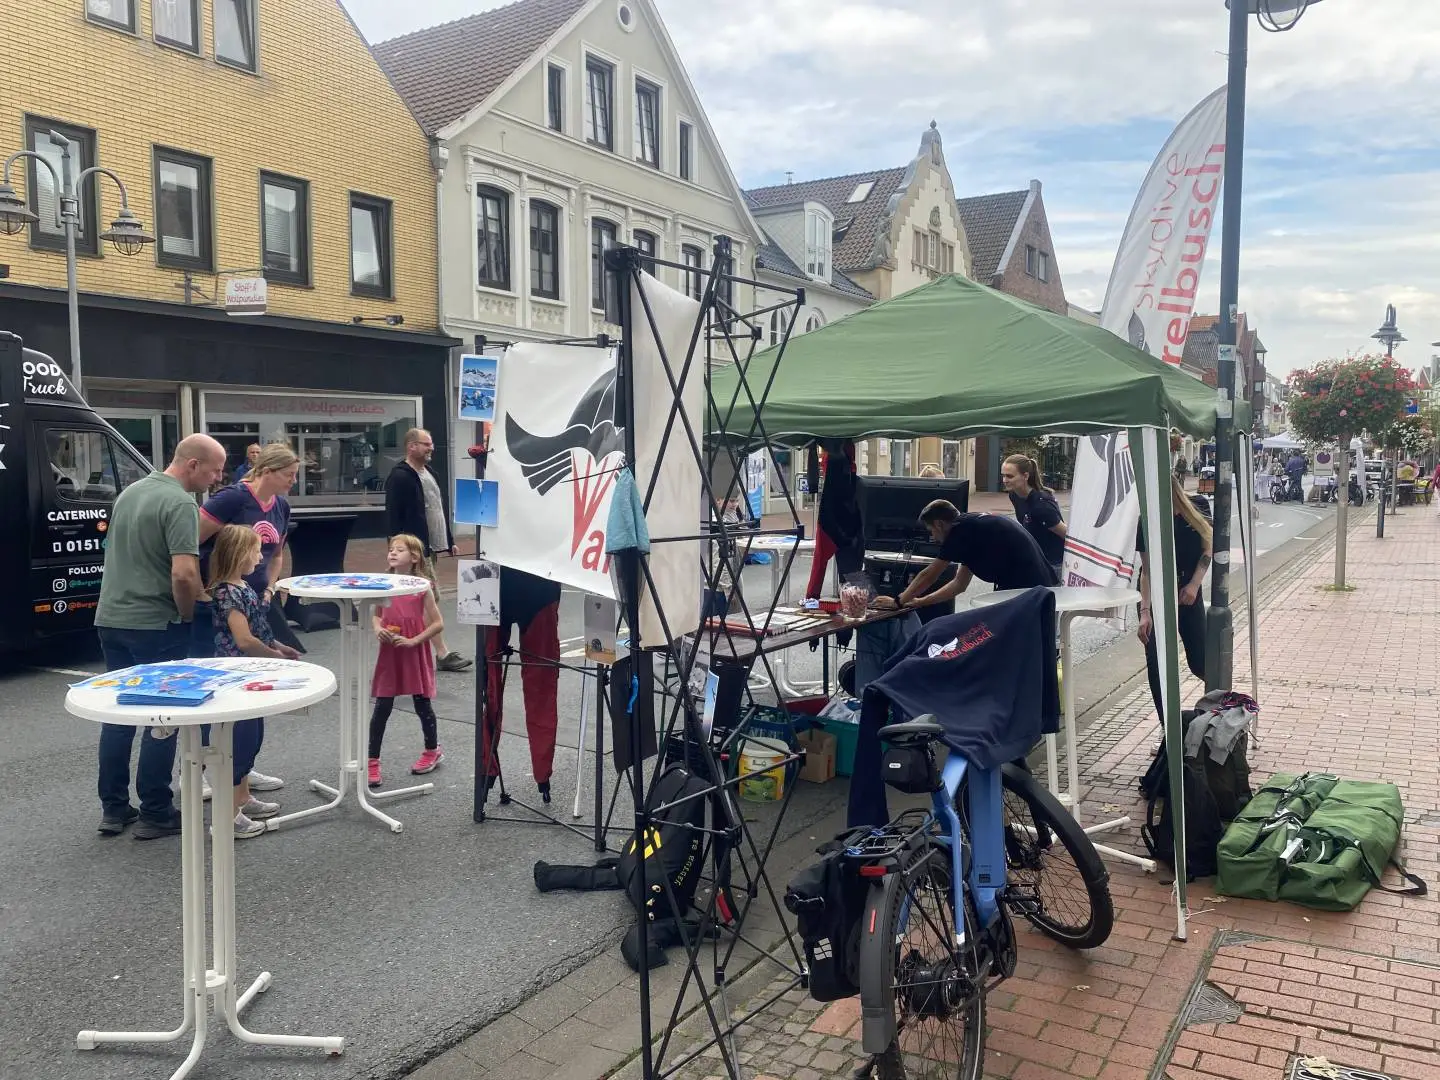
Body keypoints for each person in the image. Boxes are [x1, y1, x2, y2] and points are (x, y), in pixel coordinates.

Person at [94, 433, 226, 839]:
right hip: (155, 622)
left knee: (118, 717)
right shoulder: (181, 503)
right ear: (191, 464)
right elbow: (184, 573)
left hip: (112, 617)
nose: (217, 478)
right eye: (214, 469)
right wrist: (188, 617)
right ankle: (155, 809)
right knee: (162, 720)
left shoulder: (131, 492)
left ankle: (115, 810)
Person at [196, 442, 302, 797]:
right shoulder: (231, 499)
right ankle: (204, 771)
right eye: (289, 474)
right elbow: (191, 540)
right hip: (225, 599)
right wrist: (205, 590)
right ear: (268, 470)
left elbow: (275, 554)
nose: (293, 481)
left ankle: (241, 771)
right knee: (222, 691)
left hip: (255, 597)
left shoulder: (282, 506)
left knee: (251, 693)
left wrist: (269, 589)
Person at [208, 525, 302, 837]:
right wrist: (273, 657)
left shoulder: (241, 588)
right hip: (239, 675)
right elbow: (245, 639)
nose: (260, 556)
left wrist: (277, 645)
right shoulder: (228, 593)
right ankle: (227, 817)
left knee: (251, 736)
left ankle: (243, 797)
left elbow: (258, 631)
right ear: (238, 554)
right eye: (255, 550)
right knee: (239, 740)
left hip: (251, 673)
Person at [385, 428, 471, 671]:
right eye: (426, 444)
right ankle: (441, 654)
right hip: (414, 550)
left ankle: (413, 649)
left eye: (431, 443)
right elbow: (392, 514)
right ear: (411, 446)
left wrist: (449, 539)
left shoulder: (429, 472)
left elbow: (436, 508)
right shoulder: (400, 476)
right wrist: (396, 550)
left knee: (423, 600)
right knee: (426, 599)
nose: (431, 448)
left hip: (428, 547)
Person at [872, 502, 1058, 613]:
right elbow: (959, 585)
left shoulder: (959, 531)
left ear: (939, 524)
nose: (933, 538)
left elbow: (929, 574)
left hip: (1029, 590)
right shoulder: (972, 528)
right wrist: (920, 601)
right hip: (1037, 585)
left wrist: (898, 601)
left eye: (931, 531)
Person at [367, 534, 446, 787]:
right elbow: (376, 615)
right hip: (390, 651)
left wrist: (415, 641)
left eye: (399, 550)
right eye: (390, 549)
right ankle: (371, 762)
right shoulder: (383, 583)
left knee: (422, 703)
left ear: (413, 558)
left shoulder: (421, 586)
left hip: (413, 650)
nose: (392, 553)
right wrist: (378, 628)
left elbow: (437, 623)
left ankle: (432, 750)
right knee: (382, 707)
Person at [479, 567, 563, 804]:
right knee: (488, 689)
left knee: (540, 688)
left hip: (533, 583)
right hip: (494, 578)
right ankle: (487, 769)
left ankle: (541, 774)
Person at [1136, 474, 1213, 721]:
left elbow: (1208, 547)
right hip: (1157, 598)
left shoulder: (1198, 505)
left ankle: (1214, 715)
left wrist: (1194, 584)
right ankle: (1168, 727)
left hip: (1187, 594)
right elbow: (1146, 570)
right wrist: (1145, 613)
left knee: (1200, 662)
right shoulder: (1146, 520)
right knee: (1157, 665)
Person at [1000, 454, 1066, 577]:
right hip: (1036, 559)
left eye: (1009, 476)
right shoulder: (1014, 495)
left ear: (1025, 476)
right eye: (1003, 475)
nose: (1004, 480)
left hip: (1053, 564)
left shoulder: (1042, 505)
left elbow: (1066, 534)